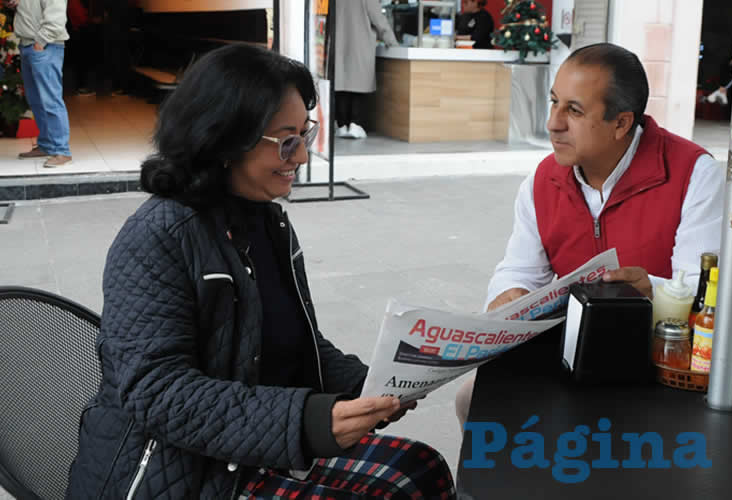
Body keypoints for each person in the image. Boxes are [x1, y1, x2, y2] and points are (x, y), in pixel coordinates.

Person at [65, 44, 456, 499]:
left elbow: (290, 342)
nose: (302, 158)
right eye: (286, 142)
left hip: (249, 446)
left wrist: (372, 387)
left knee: (420, 468)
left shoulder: (267, 222)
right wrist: (307, 421)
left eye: (304, 137)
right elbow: (158, 393)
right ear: (224, 139)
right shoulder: (157, 238)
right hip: (175, 472)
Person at [455, 43, 724, 427]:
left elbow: (704, 291)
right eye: (553, 103)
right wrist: (508, 295)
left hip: (662, 363)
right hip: (570, 351)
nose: (553, 123)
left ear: (621, 123)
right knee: (474, 401)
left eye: (574, 110)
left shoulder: (693, 175)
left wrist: (654, 292)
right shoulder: (542, 181)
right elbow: (518, 270)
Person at [10, 0, 73, 167]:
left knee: (51, 100)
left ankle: (62, 151)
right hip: (28, 44)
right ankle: (46, 145)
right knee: (36, 100)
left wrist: (40, 42)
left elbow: (56, 16)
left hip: (44, 46)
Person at [334, 0, 399, 140]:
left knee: (341, 85)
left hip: (338, 48)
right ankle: (355, 124)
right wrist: (394, 45)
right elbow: (380, 22)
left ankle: (342, 126)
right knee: (358, 85)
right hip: (360, 47)